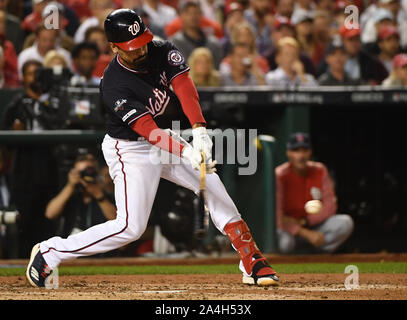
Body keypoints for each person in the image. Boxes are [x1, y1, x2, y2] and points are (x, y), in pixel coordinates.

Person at [26, 8, 279, 288]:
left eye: (142, 42)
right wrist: (186, 151)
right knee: (130, 228)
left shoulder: (160, 50)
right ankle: (51, 251)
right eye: (131, 48)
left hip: (164, 140)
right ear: (113, 47)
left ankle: (250, 258)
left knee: (213, 185)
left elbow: (184, 86)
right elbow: (148, 130)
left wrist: (200, 129)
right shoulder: (113, 84)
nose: (140, 50)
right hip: (130, 149)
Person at [1, 59, 60, 258]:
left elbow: (60, 126)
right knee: (24, 219)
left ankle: (47, 259)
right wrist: (14, 132)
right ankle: (22, 261)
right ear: (23, 78)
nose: (35, 77)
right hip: (23, 169)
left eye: (38, 73)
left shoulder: (54, 101)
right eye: (30, 73)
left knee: (48, 221)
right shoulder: (17, 103)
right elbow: (6, 140)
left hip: (49, 166)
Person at [275, 132, 354, 254]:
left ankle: (316, 255)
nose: (301, 155)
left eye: (304, 150)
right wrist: (303, 232)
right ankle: (298, 256)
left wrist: (306, 221)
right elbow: (277, 216)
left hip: (314, 225)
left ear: (310, 152)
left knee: (345, 223)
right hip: (290, 230)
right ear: (288, 153)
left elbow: (330, 207)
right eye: (296, 150)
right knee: (285, 243)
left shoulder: (320, 170)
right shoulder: (280, 175)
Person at [45, 153, 116, 238]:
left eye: (91, 171)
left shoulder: (108, 195)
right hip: (71, 248)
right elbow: (50, 214)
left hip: (100, 248)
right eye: (83, 173)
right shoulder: (70, 195)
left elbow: (117, 222)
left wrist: (99, 195)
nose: (87, 176)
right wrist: (70, 185)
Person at [169, 0, 223, 68]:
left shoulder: (213, 44)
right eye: (188, 13)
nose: (193, 16)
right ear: (181, 15)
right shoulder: (174, 44)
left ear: (201, 15)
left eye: (196, 12)